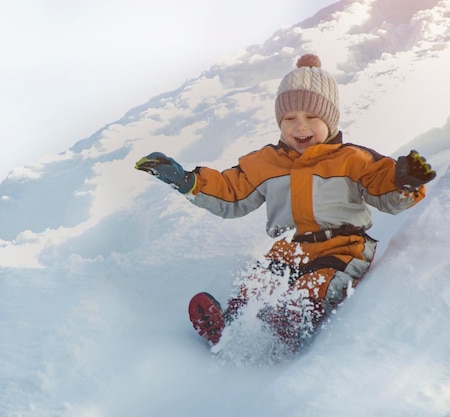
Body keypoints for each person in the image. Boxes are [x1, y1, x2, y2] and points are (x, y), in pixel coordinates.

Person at [134, 54, 436, 354]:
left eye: (311, 117)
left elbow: (384, 189)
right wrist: (189, 182)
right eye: (289, 118)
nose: (299, 127)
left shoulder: (351, 158)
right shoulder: (266, 163)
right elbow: (231, 192)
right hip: (290, 248)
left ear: (330, 120)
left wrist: (404, 181)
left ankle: (292, 323)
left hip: (343, 247)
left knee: (319, 283)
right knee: (259, 281)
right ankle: (231, 325)